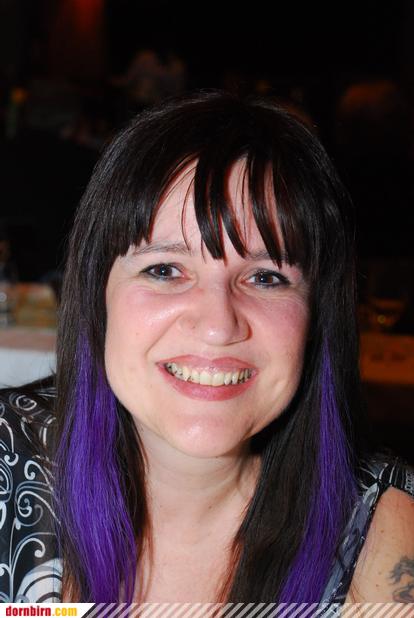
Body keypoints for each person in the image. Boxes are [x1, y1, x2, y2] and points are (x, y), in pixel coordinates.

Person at [0, 91, 413, 606]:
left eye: (265, 277)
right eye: (165, 270)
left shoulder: (387, 539)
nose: (218, 326)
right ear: (96, 293)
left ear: (316, 317)